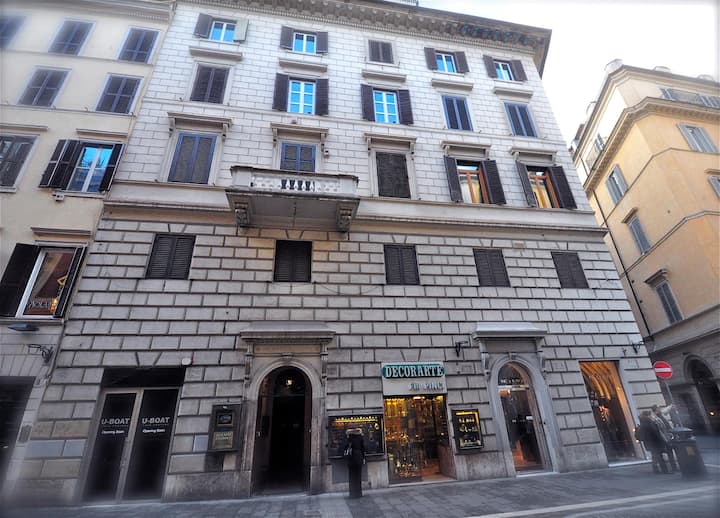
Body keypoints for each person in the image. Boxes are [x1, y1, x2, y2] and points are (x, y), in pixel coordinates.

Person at [638, 410, 670, 474]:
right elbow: (655, 433)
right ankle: (664, 470)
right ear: (648, 415)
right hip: (654, 443)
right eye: (650, 415)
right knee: (659, 457)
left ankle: (656, 470)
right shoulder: (649, 423)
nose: (652, 416)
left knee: (655, 456)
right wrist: (662, 441)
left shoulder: (644, 423)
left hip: (651, 443)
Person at [652, 404, 678, 472]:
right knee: (668, 452)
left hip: (669, 435)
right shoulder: (655, 418)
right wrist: (665, 438)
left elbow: (666, 410)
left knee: (670, 451)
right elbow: (660, 430)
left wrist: (671, 406)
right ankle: (673, 467)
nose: (660, 409)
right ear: (656, 410)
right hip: (665, 437)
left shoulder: (661, 414)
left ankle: (674, 467)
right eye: (658, 408)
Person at [345, 427, 366, 498]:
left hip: (351, 458)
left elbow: (344, 447)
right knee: (358, 476)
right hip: (359, 457)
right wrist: (363, 458)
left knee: (351, 477)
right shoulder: (360, 437)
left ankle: (352, 494)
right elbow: (363, 448)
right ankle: (359, 493)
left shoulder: (348, 438)